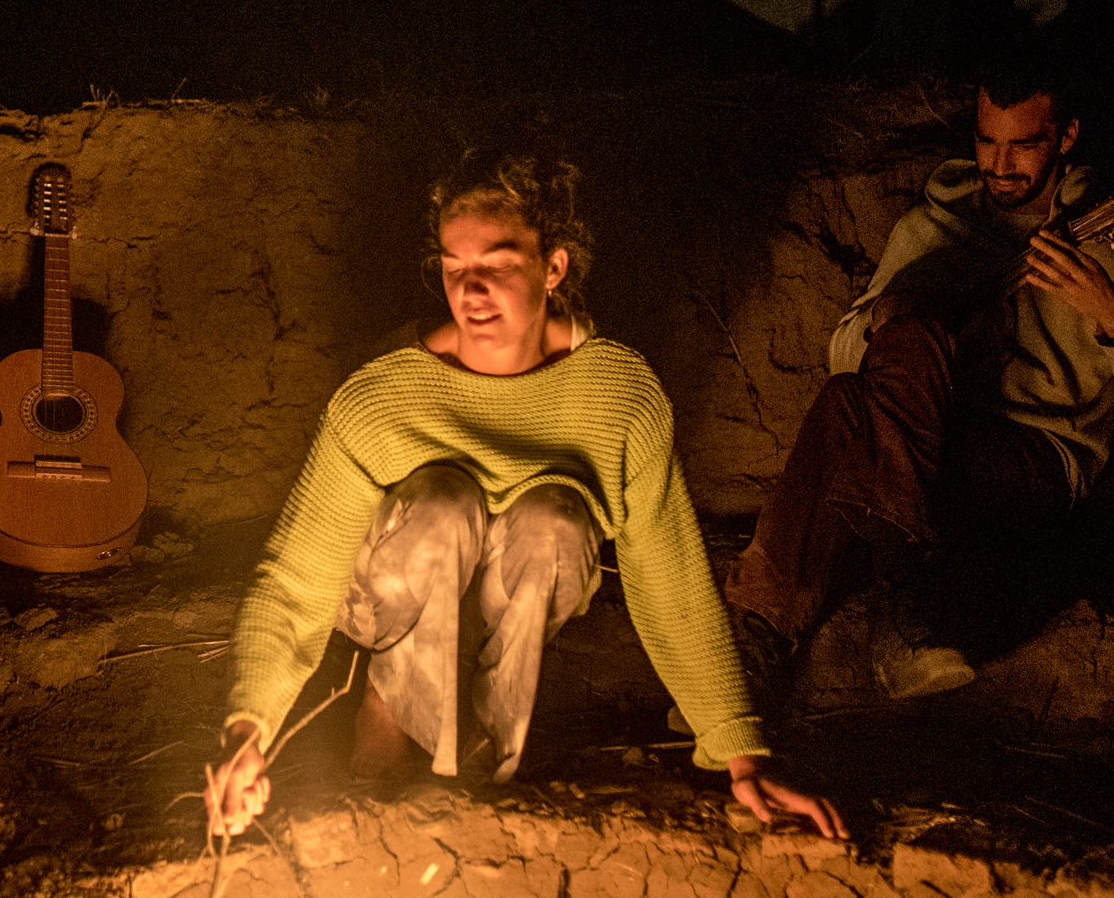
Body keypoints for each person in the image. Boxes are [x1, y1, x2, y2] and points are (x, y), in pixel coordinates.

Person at [205, 151, 844, 840]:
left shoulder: (619, 395)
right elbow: (295, 575)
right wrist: (249, 729)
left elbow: (671, 575)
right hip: (393, 590)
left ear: (554, 267)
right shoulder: (385, 395)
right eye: (454, 267)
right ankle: (387, 710)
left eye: (499, 264)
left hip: (522, 586)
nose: (471, 291)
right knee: (446, 501)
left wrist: (742, 756)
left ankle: (476, 762)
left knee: (554, 517)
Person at [723, 56, 1114, 703]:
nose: (1000, 165)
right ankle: (815, 634)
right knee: (858, 383)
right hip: (927, 432)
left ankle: (808, 629)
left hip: (1035, 456)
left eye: (1024, 144)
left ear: (1065, 136)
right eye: (987, 141)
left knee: (852, 412)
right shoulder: (933, 225)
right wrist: (889, 317)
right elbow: (845, 358)